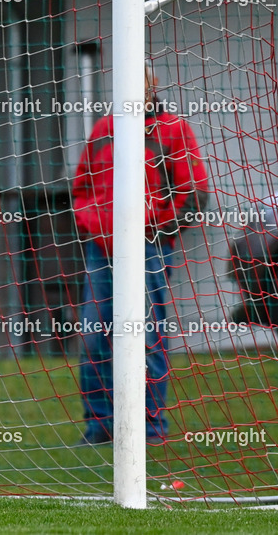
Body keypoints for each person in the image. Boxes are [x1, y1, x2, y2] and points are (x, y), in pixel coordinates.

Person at [71, 63, 208, 445]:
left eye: (140, 84)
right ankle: (100, 426)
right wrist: (94, 223)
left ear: (153, 87)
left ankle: (149, 429)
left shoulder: (174, 129)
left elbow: (195, 193)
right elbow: (81, 186)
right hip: (102, 250)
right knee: (94, 336)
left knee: (147, 336)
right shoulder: (104, 130)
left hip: (149, 249)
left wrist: (158, 230)